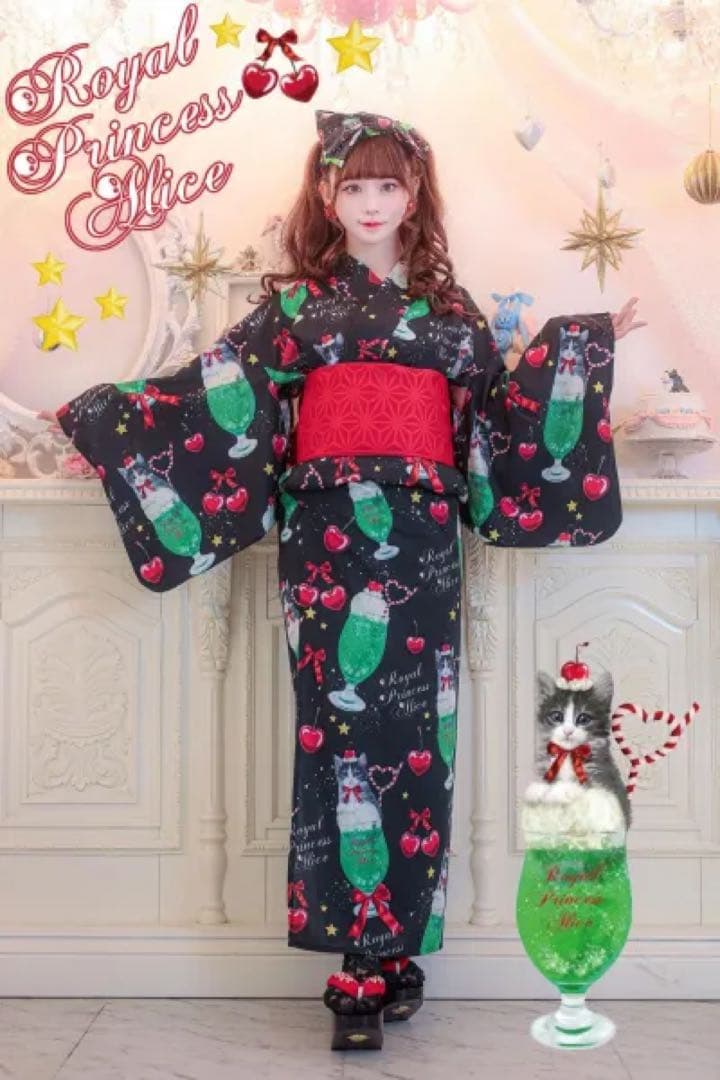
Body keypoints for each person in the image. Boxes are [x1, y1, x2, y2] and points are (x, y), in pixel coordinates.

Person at [40, 108, 646, 1052]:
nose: (370, 202)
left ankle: (397, 951)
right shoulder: (294, 311)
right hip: (324, 543)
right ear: (327, 196)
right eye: (353, 184)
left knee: (420, 737)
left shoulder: (451, 313)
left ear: (414, 195)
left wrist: (584, 342)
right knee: (335, 736)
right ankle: (355, 962)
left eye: (387, 185)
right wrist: (108, 425)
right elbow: (211, 396)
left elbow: (503, 413)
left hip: (423, 539)